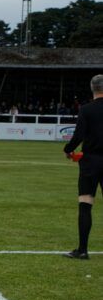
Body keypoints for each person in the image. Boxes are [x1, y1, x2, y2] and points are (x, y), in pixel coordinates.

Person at [63, 74, 103, 260]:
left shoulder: (86, 110)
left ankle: (83, 249)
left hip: (91, 161)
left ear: (92, 88)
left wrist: (68, 150)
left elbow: (79, 135)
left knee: (85, 204)